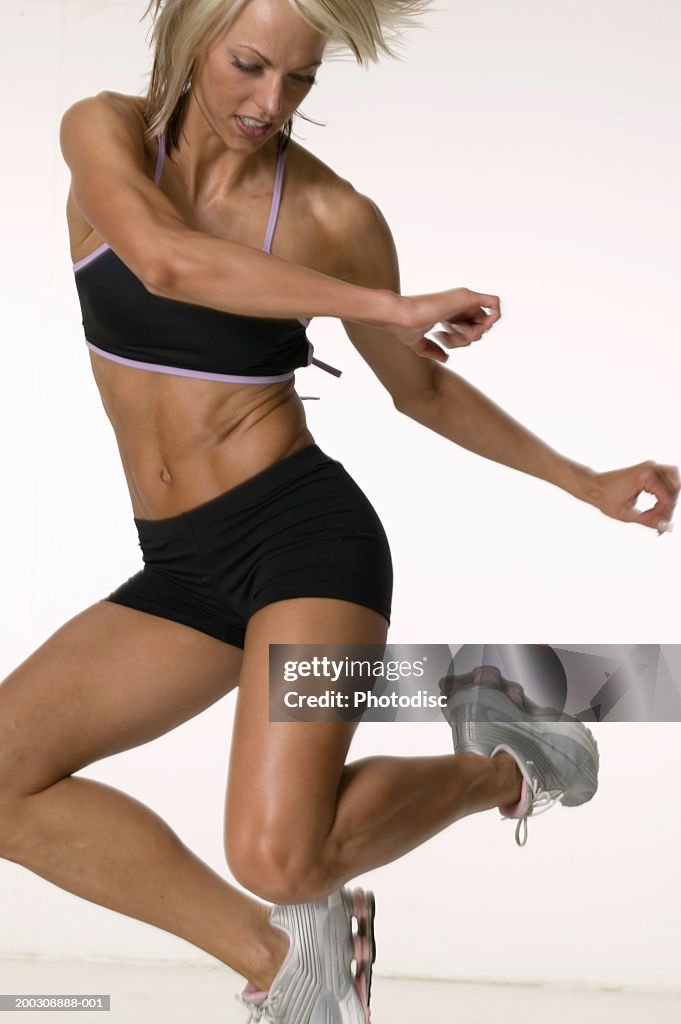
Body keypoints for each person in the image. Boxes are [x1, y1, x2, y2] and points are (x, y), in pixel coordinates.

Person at [1, 1, 678, 1022]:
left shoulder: (334, 219)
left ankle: (511, 756)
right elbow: (164, 259)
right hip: (185, 568)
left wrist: (582, 479)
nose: (270, 102)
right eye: (248, 65)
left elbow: (427, 391)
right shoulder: (104, 133)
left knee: (280, 849)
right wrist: (386, 306)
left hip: (305, 544)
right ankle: (279, 957)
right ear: (193, 40)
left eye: (301, 81)